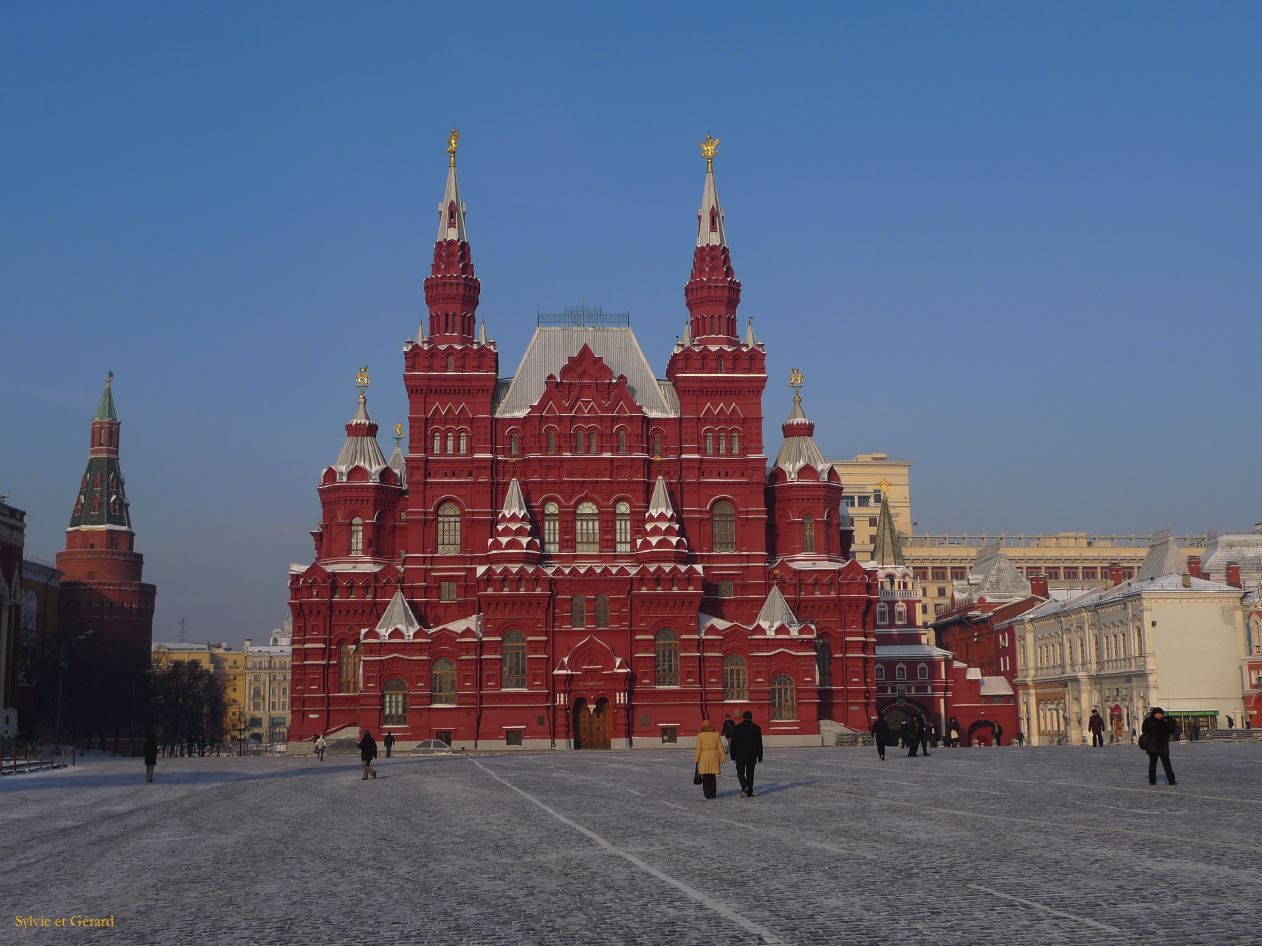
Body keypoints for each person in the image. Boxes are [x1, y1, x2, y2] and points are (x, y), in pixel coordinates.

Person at [729, 711, 763, 797]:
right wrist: (760, 755)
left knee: (740, 772)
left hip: (739, 755)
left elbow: (733, 743)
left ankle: (745, 786)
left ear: (743, 717)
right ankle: (749, 792)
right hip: (752, 755)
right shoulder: (756, 728)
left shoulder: (737, 728)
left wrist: (732, 754)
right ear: (751, 718)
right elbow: (759, 743)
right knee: (750, 774)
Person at [1141, 707, 1177, 786]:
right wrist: (1161, 722)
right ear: (1154, 714)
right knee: (1153, 765)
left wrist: (1171, 722)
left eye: (1161, 714)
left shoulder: (1164, 722)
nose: (1160, 715)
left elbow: (1171, 730)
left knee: (1167, 764)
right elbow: (1145, 729)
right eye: (1158, 714)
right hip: (1152, 747)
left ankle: (1172, 780)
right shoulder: (1149, 721)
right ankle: (1152, 781)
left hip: (1163, 747)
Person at [694, 720, 724, 800]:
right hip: (714, 756)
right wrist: (723, 757)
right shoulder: (716, 734)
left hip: (704, 756)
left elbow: (698, 749)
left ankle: (707, 794)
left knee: (706, 776)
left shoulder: (700, 735)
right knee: (712, 776)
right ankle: (713, 794)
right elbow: (720, 747)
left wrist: (696, 759)